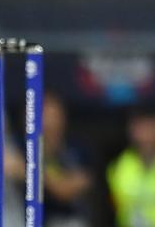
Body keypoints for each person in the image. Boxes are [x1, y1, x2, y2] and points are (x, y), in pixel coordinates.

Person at [40, 93, 92, 227]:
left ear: (63, 118)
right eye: (44, 116)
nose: (49, 123)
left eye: (54, 116)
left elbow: (65, 190)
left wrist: (29, 171)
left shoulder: (76, 151)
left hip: (67, 220)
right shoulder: (24, 148)